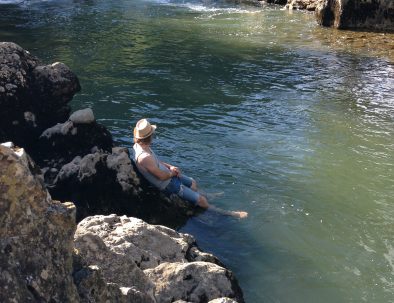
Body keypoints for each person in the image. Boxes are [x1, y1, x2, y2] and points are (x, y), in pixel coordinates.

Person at [132, 118, 248, 219]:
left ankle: (207, 195)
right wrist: (172, 173)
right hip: (167, 184)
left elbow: (157, 161)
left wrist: (170, 167)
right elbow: (161, 177)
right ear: (149, 136)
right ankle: (230, 214)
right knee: (202, 202)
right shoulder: (144, 157)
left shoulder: (141, 146)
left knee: (193, 182)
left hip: (169, 176)